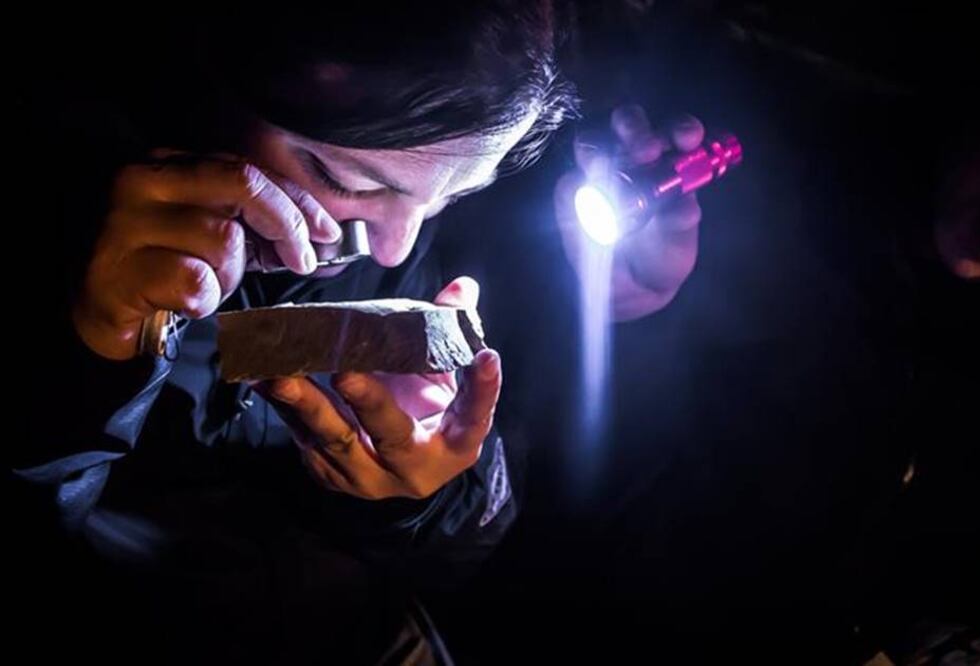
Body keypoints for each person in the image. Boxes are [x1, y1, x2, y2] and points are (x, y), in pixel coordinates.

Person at [9, 3, 709, 663]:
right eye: (340, 176)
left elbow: (511, 544)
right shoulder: (60, 181)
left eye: (453, 194)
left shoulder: (451, 208)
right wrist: (90, 357)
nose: (393, 247)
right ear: (218, 68)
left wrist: (421, 493)